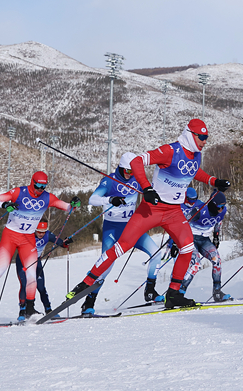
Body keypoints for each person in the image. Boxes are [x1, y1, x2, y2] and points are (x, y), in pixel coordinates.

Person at [65, 119, 231, 309]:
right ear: (190, 134)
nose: (204, 141)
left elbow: (193, 172)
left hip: (174, 211)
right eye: (201, 137)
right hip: (152, 209)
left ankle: (173, 295)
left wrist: (213, 181)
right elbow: (137, 161)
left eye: (206, 137)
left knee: (186, 247)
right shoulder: (170, 151)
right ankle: (84, 284)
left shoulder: (196, 155)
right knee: (122, 247)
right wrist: (147, 188)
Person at [0, 171, 79, 321]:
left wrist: (73, 204)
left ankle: (29, 309)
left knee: (32, 274)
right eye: (38, 185)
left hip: (28, 239)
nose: (40, 189)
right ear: (32, 182)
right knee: (0, 270)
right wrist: (5, 204)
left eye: (43, 186)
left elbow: (67, 207)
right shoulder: (19, 192)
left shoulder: (47, 197)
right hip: (10, 236)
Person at [81, 152, 164, 315]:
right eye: (127, 171)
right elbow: (93, 199)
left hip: (132, 227)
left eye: (133, 171)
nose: (130, 174)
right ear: (120, 168)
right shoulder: (109, 181)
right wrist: (110, 200)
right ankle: (88, 302)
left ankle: (150, 291)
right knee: (105, 265)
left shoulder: (136, 179)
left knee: (156, 253)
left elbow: (150, 192)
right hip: (112, 228)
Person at [176, 187, 229, 302]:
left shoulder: (222, 211)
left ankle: (217, 292)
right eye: (219, 207)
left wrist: (216, 236)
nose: (221, 209)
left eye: (223, 206)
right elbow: (183, 223)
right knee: (196, 264)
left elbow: (218, 221)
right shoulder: (200, 210)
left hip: (205, 240)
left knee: (217, 260)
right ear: (212, 204)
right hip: (191, 238)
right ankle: (179, 292)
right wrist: (175, 241)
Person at [15, 221, 68, 320]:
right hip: (23, 263)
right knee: (25, 285)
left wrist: (65, 243)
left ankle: (48, 310)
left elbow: (60, 242)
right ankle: (22, 311)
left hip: (36, 262)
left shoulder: (48, 235)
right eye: (39, 232)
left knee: (41, 287)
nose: (41, 234)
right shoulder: (27, 234)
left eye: (43, 232)